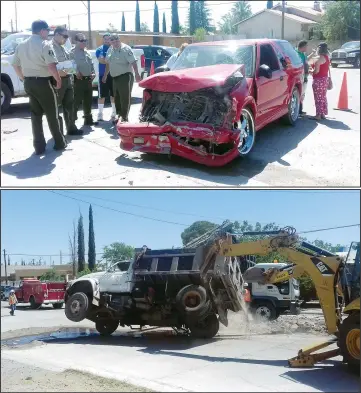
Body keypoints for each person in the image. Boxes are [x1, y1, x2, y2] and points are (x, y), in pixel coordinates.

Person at [11, 20, 67, 154]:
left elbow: (15, 65)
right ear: (42, 30)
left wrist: (23, 78)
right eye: (47, 31)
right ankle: (59, 142)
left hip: (29, 83)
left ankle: (39, 146)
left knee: (35, 115)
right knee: (52, 113)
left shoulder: (21, 45)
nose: (48, 34)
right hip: (43, 83)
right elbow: (51, 66)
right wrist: (58, 80)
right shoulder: (45, 44)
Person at [102, 34, 141, 124]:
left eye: (117, 41)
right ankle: (119, 115)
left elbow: (133, 62)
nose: (115, 43)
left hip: (125, 76)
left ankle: (124, 117)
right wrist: (105, 75)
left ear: (119, 40)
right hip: (114, 77)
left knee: (125, 97)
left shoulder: (125, 49)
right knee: (117, 97)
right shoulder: (110, 49)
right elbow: (108, 63)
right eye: (113, 41)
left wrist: (137, 74)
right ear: (110, 42)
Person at [52, 26, 82, 136]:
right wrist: (59, 73)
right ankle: (57, 132)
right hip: (58, 80)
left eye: (67, 36)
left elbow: (69, 62)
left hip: (68, 79)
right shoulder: (50, 47)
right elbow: (49, 65)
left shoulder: (63, 47)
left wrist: (73, 70)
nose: (66, 39)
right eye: (64, 36)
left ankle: (71, 128)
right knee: (55, 106)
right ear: (56, 35)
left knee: (69, 105)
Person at [71, 33, 97, 126]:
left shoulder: (87, 52)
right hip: (78, 80)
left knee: (88, 100)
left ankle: (88, 119)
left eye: (85, 40)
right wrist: (75, 72)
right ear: (75, 41)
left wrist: (93, 73)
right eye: (81, 40)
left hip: (88, 80)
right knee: (76, 101)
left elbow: (91, 65)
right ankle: (72, 122)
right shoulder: (72, 52)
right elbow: (69, 65)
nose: (84, 42)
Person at [95, 33, 116, 122]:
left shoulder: (115, 49)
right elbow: (101, 61)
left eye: (109, 39)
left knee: (113, 95)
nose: (107, 41)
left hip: (114, 75)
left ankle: (114, 113)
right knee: (101, 95)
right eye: (105, 39)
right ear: (103, 40)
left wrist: (108, 60)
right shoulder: (100, 49)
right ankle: (100, 114)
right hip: (103, 75)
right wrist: (113, 60)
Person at [309, 42, 331, 121]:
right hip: (325, 80)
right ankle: (322, 114)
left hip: (318, 80)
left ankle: (318, 115)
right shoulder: (327, 58)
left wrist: (310, 71)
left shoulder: (319, 59)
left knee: (318, 97)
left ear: (319, 49)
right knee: (323, 97)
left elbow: (316, 72)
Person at [295, 40, 315, 116]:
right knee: (299, 93)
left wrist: (312, 54)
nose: (307, 47)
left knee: (302, 94)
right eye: (306, 46)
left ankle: (300, 110)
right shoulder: (296, 54)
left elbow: (306, 60)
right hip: (300, 77)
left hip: (305, 76)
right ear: (303, 47)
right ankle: (298, 110)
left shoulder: (302, 54)